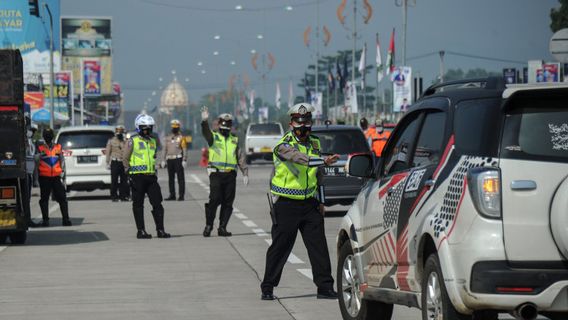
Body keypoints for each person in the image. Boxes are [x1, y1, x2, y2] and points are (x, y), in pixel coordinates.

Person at [260, 103, 340, 301]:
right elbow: (299, 159)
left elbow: (319, 176)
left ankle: (325, 287)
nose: (303, 128)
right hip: (286, 204)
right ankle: (268, 286)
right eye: (299, 124)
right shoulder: (283, 145)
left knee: (318, 246)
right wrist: (324, 161)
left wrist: (321, 200)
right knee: (280, 247)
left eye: (306, 124)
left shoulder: (315, 143)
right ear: (291, 124)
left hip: (310, 204)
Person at [200, 106, 248, 237]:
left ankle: (222, 227)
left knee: (228, 202)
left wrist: (245, 172)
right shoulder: (213, 137)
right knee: (214, 199)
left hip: (230, 174)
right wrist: (204, 121)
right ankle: (209, 225)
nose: (226, 126)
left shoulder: (235, 139)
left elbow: (240, 156)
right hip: (216, 173)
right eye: (224, 124)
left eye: (228, 124)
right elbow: (206, 132)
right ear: (220, 125)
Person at [123, 114, 170, 239]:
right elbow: (125, 158)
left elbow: (153, 157)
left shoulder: (153, 141)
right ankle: (141, 231)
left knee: (157, 203)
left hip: (151, 177)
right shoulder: (132, 141)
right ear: (138, 127)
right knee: (138, 204)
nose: (147, 130)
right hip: (137, 177)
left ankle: (160, 230)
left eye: (149, 128)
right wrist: (129, 174)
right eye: (145, 128)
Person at [36, 128, 72, 227]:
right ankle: (45, 220)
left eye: (49, 135)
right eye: (46, 135)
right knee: (44, 199)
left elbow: (62, 161)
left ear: (52, 136)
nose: (48, 137)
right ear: (43, 137)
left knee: (62, 198)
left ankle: (66, 219)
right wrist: (36, 178)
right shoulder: (40, 148)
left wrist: (63, 175)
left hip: (56, 177)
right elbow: (36, 163)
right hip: (44, 177)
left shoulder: (58, 147)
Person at [161, 119, 187, 201]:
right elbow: (164, 149)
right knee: (171, 178)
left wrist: (184, 159)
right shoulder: (168, 137)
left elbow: (184, 149)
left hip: (178, 159)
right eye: (173, 127)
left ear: (179, 128)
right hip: (170, 159)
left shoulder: (181, 137)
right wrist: (163, 160)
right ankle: (172, 195)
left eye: (176, 127)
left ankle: (181, 195)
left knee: (180, 178)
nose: (174, 129)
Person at [105, 125, 129, 202]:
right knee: (114, 180)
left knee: (124, 180)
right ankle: (114, 196)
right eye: (118, 130)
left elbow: (128, 151)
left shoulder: (126, 140)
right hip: (115, 162)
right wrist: (107, 162)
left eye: (121, 130)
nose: (119, 132)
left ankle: (123, 196)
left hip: (123, 162)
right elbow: (108, 152)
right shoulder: (111, 141)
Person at [24, 120, 39, 228]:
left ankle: (28, 219)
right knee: (25, 198)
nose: (32, 132)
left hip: (29, 173)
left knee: (28, 198)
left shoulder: (31, 142)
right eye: (31, 130)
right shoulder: (24, 141)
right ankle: (27, 219)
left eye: (33, 131)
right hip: (24, 173)